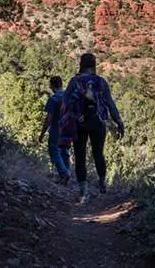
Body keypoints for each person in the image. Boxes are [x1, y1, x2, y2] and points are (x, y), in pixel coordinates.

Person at [62, 53, 125, 203]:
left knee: (80, 156)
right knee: (98, 153)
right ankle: (102, 182)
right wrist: (119, 122)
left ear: (81, 64)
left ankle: (83, 191)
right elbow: (110, 104)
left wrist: (64, 122)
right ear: (94, 64)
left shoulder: (74, 81)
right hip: (97, 121)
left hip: (79, 122)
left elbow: (65, 103)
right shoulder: (101, 81)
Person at [38, 76, 71, 184]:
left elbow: (49, 119)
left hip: (57, 129)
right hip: (69, 127)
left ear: (51, 86)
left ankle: (64, 173)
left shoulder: (53, 99)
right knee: (64, 151)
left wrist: (42, 133)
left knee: (54, 151)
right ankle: (67, 174)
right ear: (61, 84)